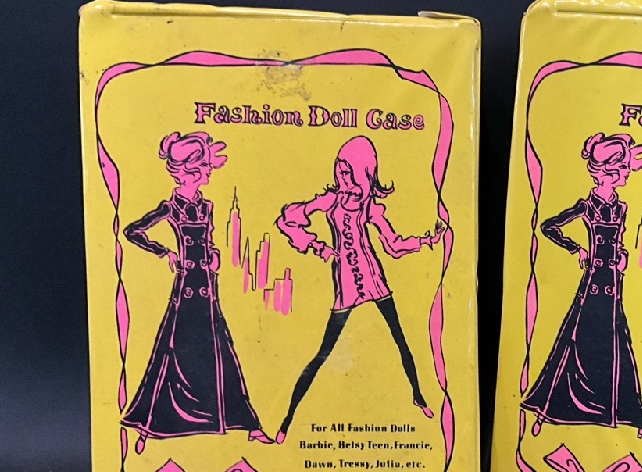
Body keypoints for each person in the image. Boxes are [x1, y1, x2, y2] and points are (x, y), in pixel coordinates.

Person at [275, 136, 444, 443]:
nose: (341, 176)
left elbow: (393, 245)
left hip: (374, 279)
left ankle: (418, 397)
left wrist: (426, 241)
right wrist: (318, 247)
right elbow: (287, 221)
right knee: (323, 353)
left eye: (347, 171)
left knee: (400, 340)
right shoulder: (330, 201)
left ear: (362, 172)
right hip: (346, 285)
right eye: (339, 169)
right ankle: (287, 420)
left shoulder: (370, 207)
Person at [122, 132, 271, 453]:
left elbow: (209, 242)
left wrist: (214, 255)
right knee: (171, 350)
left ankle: (249, 425)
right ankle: (150, 426)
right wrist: (164, 252)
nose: (209, 172)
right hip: (187, 288)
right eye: (204, 167)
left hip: (208, 287)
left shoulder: (207, 206)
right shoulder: (170, 207)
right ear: (189, 170)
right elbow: (133, 230)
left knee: (221, 351)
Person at [522, 132, 642, 443]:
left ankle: (636, 420)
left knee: (619, 347)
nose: (626, 174)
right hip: (594, 283)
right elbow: (549, 226)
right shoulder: (587, 206)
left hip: (614, 284)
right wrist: (576, 249)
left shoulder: (621, 208)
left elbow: (617, 243)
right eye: (622, 169)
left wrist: (623, 256)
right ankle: (548, 410)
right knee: (574, 340)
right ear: (608, 171)